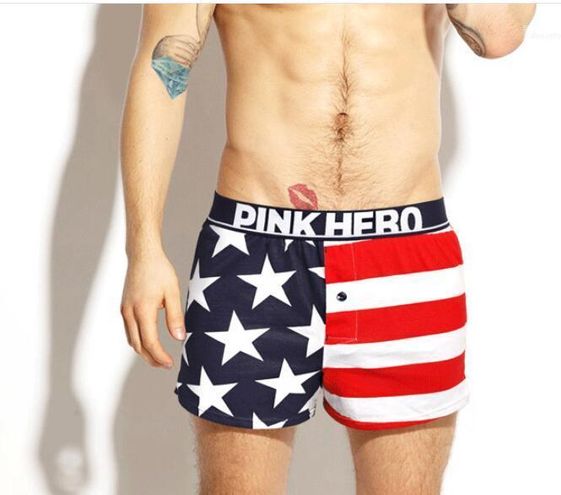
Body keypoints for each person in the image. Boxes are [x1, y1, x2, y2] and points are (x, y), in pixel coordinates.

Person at [119, 4, 536, 494]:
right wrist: (143, 248)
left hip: (403, 251)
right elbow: (163, 67)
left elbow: (498, 34)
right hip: (252, 246)